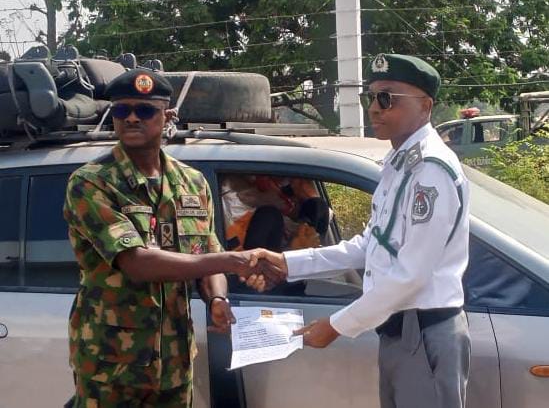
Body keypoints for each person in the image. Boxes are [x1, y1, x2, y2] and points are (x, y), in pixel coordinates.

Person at [247, 54, 471, 408]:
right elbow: (370, 245)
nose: (375, 108)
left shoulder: (430, 171)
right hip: (400, 330)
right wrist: (288, 262)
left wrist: (337, 325)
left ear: (426, 106)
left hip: (423, 331)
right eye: (371, 97)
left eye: (388, 98)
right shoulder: (400, 163)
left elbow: (410, 276)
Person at [63, 68, 260, 407]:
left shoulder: (193, 183)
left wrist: (216, 300)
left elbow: (206, 253)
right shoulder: (92, 182)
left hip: (174, 362)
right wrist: (232, 260)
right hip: (111, 365)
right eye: (122, 110)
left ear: (168, 115)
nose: (132, 119)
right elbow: (137, 263)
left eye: (145, 110)